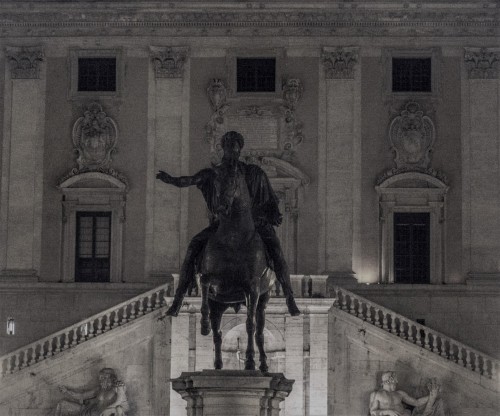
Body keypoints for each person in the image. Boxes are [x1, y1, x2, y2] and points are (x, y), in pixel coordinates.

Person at [156, 130, 300, 319]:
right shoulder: (214, 173)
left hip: (254, 224)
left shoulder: (252, 173)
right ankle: (178, 299)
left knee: (277, 251)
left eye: (236, 147)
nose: (232, 150)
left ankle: (289, 296)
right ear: (223, 148)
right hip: (221, 224)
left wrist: (269, 214)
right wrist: (172, 180)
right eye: (229, 146)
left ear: (240, 150)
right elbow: (190, 180)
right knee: (193, 247)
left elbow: (268, 197)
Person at [55, 368, 128, 416]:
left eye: (103, 377)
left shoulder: (118, 388)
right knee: (63, 404)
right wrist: (67, 391)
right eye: (100, 378)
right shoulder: (99, 389)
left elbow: (124, 406)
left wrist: (108, 410)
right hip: (90, 412)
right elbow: (82, 395)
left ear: (110, 378)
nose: (100, 380)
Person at [369, 372, 444, 416]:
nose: (397, 382)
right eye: (395, 380)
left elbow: (416, 402)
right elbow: (372, 412)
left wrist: (431, 396)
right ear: (389, 381)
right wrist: (388, 412)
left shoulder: (399, 393)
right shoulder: (376, 394)